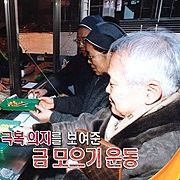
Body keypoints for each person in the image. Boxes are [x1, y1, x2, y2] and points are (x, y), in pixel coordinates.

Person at [53, 30, 180, 179]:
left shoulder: (161, 151)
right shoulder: (124, 110)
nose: (107, 90)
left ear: (150, 92)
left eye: (113, 84)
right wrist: (38, 133)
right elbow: (86, 127)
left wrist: (74, 174)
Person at [32, 22, 126, 123]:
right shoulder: (101, 77)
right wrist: (54, 103)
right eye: (78, 41)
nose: (89, 61)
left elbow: (92, 126)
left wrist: (52, 117)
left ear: (110, 55)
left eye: (91, 56)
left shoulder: (119, 88)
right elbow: (84, 102)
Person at [28, 15, 102, 97]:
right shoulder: (78, 60)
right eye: (78, 40)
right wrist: (45, 90)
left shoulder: (105, 68)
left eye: (84, 40)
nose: (80, 45)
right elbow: (62, 78)